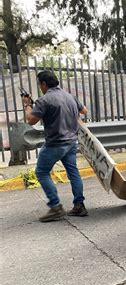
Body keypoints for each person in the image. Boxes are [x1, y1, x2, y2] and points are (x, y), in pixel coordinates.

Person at [22, 71, 88, 222]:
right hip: (71, 142)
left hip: (55, 144)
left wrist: (27, 105)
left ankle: (55, 206)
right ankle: (79, 205)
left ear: (44, 84)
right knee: (73, 173)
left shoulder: (44, 100)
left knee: (41, 172)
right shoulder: (70, 96)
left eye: (40, 84)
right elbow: (84, 111)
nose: (40, 87)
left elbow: (31, 120)